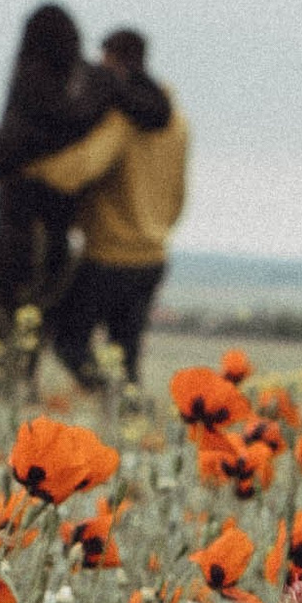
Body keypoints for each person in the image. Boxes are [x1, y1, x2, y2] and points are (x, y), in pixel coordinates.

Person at [27, 30, 189, 387]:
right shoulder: (178, 124)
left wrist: (29, 166)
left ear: (114, 61)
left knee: (69, 343)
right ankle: (127, 419)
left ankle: (109, 399)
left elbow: (81, 169)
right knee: (126, 354)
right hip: (154, 255)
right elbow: (179, 195)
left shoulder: (123, 122)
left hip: (109, 255)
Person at [0, 5, 109, 351]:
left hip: (19, 227)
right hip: (62, 229)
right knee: (34, 330)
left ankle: (14, 399)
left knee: (4, 334)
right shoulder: (90, 93)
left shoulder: (31, 91)